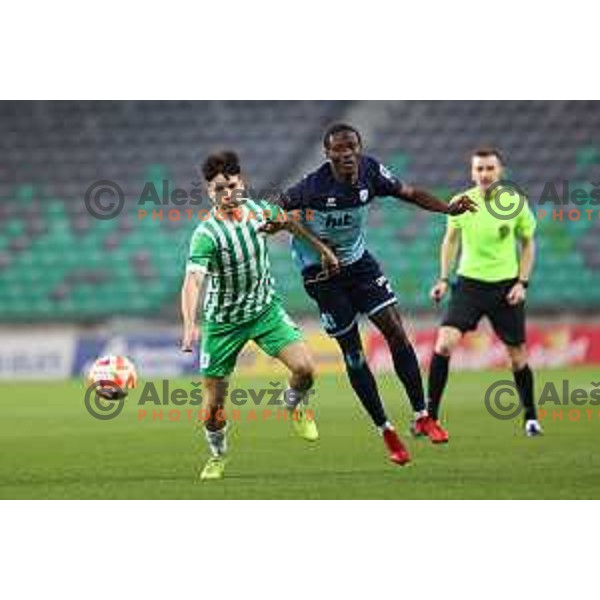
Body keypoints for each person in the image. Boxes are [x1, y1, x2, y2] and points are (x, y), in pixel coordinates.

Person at [264, 124, 476, 466]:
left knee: (397, 332)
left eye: (352, 147)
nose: (346, 154)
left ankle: (423, 415)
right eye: (339, 149)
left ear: (359, 149)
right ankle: (385, 429)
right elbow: (278, 213)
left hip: (359, 264)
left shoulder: (371, 172)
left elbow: (409, 192)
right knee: (354, 354)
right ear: (328, 153)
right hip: (321, 275)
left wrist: (447, 210)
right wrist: (318, 248)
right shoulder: (313, 186)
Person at [181, 150, 339, 480]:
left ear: (243, 183)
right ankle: (218, 454)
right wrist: (189, 324)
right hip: (223, 324)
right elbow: (193, 280)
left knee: (306, 369)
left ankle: (294, 404)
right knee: (213, 408)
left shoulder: (260, 212)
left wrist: (323, 249)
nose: (226, 195)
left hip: (264, 310)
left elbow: (290, 223)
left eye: (231, 186)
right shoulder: (206, 235)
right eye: (218, 189)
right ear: (209, 191)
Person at [427, 147, 542, 436]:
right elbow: (450, 241)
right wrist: (443, 278)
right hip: (469, 285)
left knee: (517, 356)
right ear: (472, 172)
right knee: (443, 344)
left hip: (505, 287)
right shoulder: (460, 203)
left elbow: (528, 243)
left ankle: (530, 417)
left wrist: (522, 283)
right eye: (479, 169)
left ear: (500, 171)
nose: (484, 174)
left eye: (489, 168)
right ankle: (430, 417)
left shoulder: (515, 203)